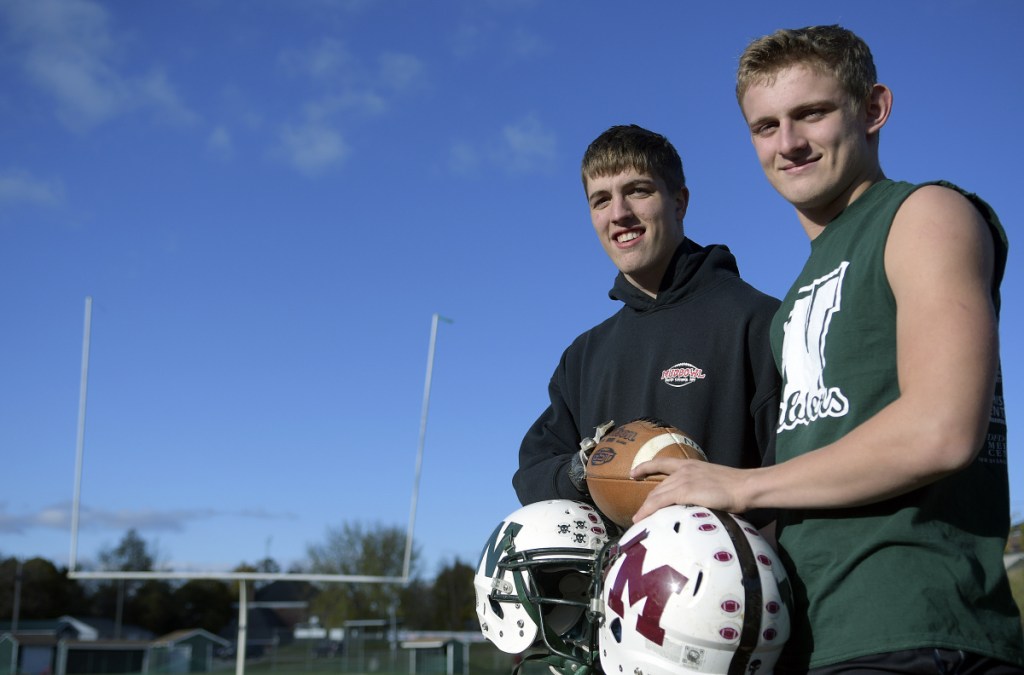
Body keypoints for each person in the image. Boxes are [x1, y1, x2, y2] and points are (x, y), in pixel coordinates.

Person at [632, 25, 1024, 673]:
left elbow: (942, 429)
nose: (787, 143)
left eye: (810, 113)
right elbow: (814, 487)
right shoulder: (792, 302)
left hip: (920, 631)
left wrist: (741, 485)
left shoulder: (927, 213)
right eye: (765, 126)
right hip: (819, 637)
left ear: (873, 110)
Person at [512, 124, 780, 527]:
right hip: (619, 588)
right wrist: (587, 470)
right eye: (601, 200)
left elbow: (801, 480)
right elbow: (532, 476)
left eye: (638, 190)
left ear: (679, 202)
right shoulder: (584, 357)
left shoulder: (759, 322)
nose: (619, 214)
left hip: (737, 581)